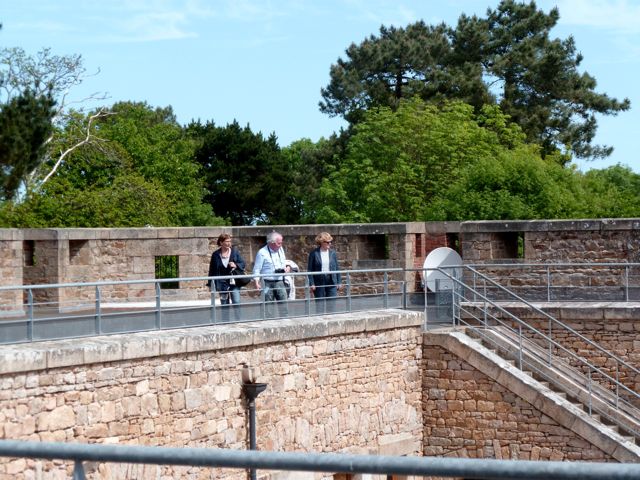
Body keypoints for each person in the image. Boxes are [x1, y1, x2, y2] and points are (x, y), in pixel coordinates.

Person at [208, 233, 246, 321]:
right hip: (222, 283)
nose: (229, 243)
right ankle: (225, 321)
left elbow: (243, 263)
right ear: (221, 242)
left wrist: (235, 265)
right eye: (227, 241)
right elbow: (212, 270)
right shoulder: (215, 254)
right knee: (224, 303)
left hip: (233, 282)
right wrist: (210, 284)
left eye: (230, 241)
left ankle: (238, 320)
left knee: (236, 301)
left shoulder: (234, 252)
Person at [252, 231, 290, 318]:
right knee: (268, 309)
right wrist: (256, 282)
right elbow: (257, 268)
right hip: (267, 282)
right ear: (271, 243)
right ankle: (269, 324)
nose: (281, 245)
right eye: (279, 243)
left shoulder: (281, 249)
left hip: (280, 281)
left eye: (281, 242)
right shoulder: (262, 252)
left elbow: (284, 261)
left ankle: (285, 322)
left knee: (284, 306)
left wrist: (287, 267)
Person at [307, 232, 342, 314]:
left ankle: (331, 320)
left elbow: (337, 268)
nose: (330, 244)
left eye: (330, 242)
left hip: (331, 280)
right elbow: (310, 270)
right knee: (320, 306)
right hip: (319, 281)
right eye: (328, 242)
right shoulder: (314, 253)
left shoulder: (332, 253)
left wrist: (339, 282)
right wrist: (312, 283)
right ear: (322, 242)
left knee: (331, 306)